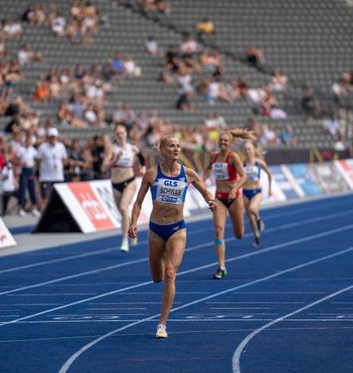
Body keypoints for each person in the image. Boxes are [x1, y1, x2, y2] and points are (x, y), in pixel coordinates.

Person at [128, 136, 216, 339]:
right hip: (156, 230)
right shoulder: (151, 174)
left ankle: (162, 325)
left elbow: (205, 192)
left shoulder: (188, 173)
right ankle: (162, 315)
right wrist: (133, 222)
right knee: (157, 277)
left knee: (169, 274)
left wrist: (211, 201)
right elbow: (138, 203)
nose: (176, 149)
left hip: (177, 229)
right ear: (162, 150)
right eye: (171, 146)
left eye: (178, 146)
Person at [202, 129, 254, 279]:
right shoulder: (214, 157)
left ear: (230, 143)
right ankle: (221, 266)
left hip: (234, 198)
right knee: (219, 230)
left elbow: (243, 176)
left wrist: (235, 188)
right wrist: (203, 181)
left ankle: (242, 226)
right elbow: (207, 169)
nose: (223, 143)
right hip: (219, 198)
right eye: (221, 140)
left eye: (226, 140)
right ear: (218, 142)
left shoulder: (233, 157)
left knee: (239, 234)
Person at [102, 124, 146, 252]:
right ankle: (132, 227)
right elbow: (104, 167)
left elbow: (142, 157)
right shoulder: (111, 149)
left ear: (126, 134)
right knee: (122, 212)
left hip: (129, 181)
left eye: (122, 133)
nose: (120, 135)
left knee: (123, 207)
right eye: (117, 134)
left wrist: (142, 167)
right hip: (116, 184)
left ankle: (124, 241)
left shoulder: (132, 148)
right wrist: (114, 159)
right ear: (115, 135)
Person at [242, 140, 273, 247]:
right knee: (250, 218)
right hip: (245, 192)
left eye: (249, 149)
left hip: (257, 191)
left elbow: (269, 174)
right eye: (245, 149)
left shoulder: (259, 163)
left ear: (254, 150)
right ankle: (256, 236)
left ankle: (259, 220)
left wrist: (270, 189)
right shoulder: (242, 163)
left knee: (252, 209)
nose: (247, 151)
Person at [36, 127, 68, 210]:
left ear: (57, 137)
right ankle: (44, 215)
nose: (53, 139)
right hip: (46, 177)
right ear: (48, 137)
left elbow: (64, 159)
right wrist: (39, 171)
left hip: (58, 176)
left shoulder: (61, 147)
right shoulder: (43, 147)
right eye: (51, 137)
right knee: (45, 198)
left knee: (59, 197)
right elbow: (38, 161)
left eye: (54, 137)